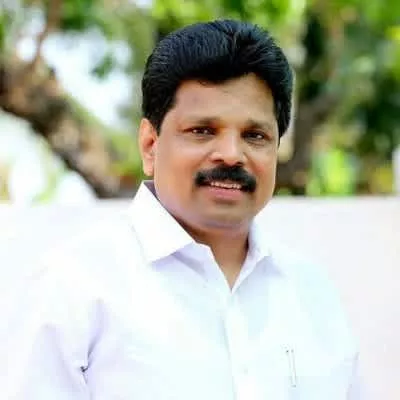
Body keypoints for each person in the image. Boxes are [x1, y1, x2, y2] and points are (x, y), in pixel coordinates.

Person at [2, 19, 365, 399]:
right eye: (202, 131)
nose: (231, 154)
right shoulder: (74, 287)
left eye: (254, 136)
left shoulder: (311, 293)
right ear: (150, 145)